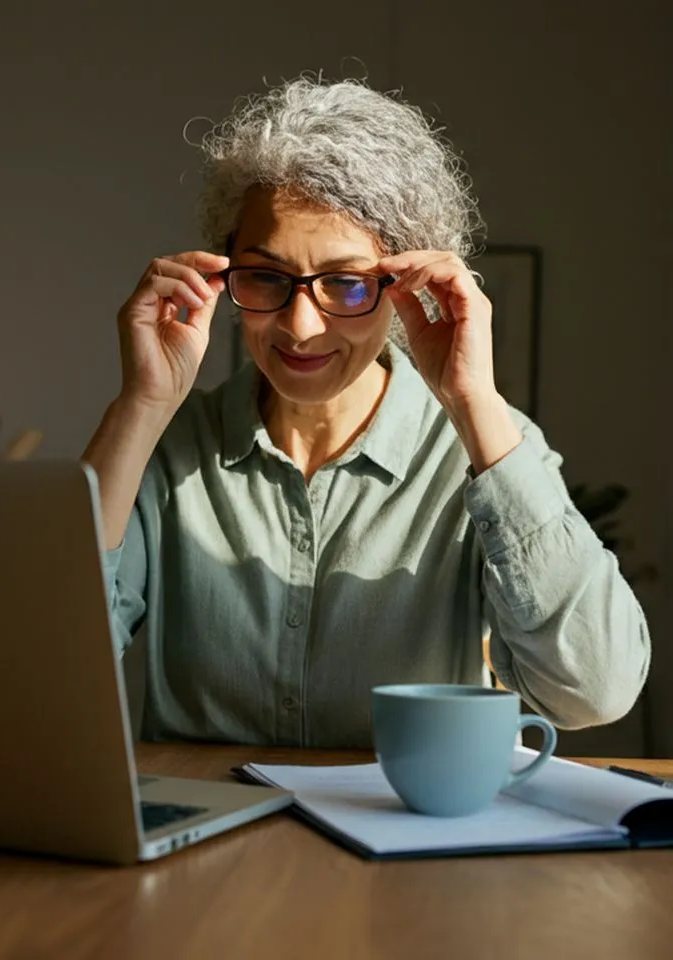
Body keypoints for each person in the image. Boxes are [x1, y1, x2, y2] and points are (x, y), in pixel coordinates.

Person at [83, 76, 650, 748]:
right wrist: (141, 404)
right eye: (266, 275)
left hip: (403, 846)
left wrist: (473, 402)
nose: (299, 326)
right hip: (205, 843)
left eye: (346, 284)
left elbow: (592, 691)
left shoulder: (488, 450)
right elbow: (45, 662)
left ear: (406, 286)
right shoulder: (168, 446)